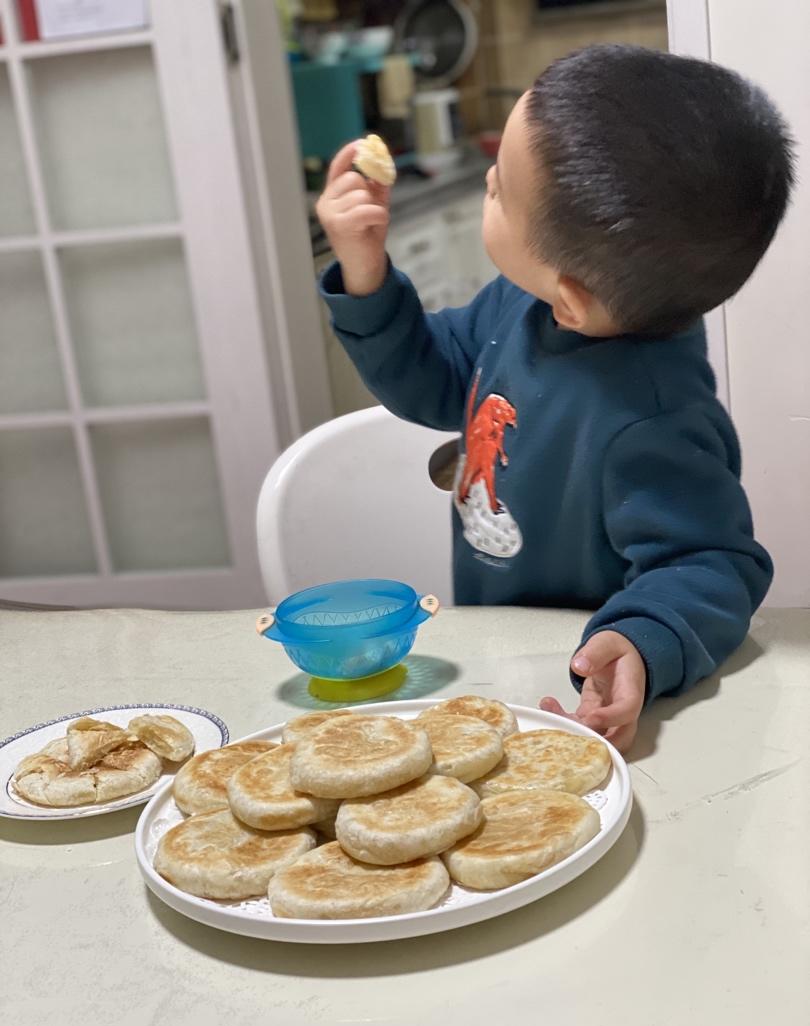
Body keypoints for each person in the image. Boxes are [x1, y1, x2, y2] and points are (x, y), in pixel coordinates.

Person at [314, 45, 794, 752]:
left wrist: (639, 643)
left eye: (500, 190)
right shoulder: (523, 304)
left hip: (567, 694)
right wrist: (365, 273)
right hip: (492, 661)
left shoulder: (651, 417)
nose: (486, 180)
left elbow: (710, 563)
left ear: (571, 297)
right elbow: (436, 378)